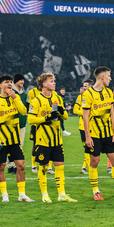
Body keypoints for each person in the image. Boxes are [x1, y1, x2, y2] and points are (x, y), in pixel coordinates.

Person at [82, 67, 114, 201]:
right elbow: (85, 116)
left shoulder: (108, 92)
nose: (110, 78)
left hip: (108, 134)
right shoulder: (88, 94)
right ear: (102, 77)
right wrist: (87, 136)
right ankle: (96, 192)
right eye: (109, 76)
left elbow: (112, 114)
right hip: (94, 134)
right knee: (95, 161)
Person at [27, 72, 76, 203]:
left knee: (60, 166)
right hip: (42, 140)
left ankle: (62, 194)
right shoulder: (36, 100)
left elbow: (65, 117)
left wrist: (62, 110)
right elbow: (31, 119)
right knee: (43, 166)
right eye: (51, 81)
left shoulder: (57, 98)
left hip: (57, 140)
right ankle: (44, 194)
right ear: (44, 84)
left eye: (54, 81)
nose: (54, 83)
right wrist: (46, 118)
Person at [0, 74, 34, 202]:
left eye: (10, 82)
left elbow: (24, 111)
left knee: (21, 165)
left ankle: (22, 195)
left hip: (14, 139)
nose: (9, 84)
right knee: (1, 166)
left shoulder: (16, 97)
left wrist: (15, 98)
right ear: (0, 85)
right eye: (6, 82)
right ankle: (4, 195)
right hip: (1, 140)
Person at [6, 73, 27, 175]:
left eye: (23, 80)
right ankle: (11, 166)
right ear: (16, 81)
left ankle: (15, 166)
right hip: (12, 123)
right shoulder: (11, 92)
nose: (22, 82)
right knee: (11, 145)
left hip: (22, 123)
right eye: (20, 80)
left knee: (20, 145)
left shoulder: (24, 93)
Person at [72, 78, 93, 174]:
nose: (83, 88)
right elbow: (75, 110)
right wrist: (86, 113)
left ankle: (84, 167)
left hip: (94, 126)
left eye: (85, 86)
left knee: (91, 148)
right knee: (87, 147)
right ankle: (86, 167)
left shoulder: (95, 96)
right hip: (83, 126)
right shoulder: (81, 97)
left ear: (90, 87)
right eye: (83, 86)